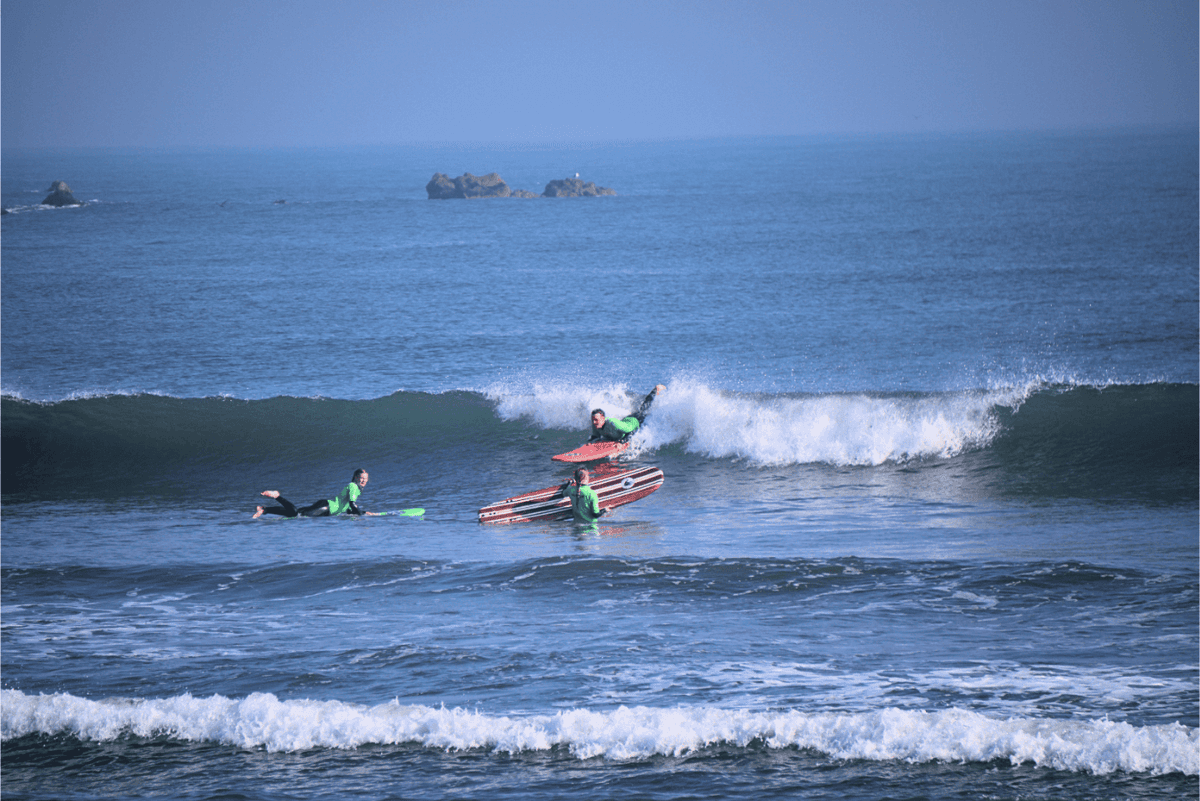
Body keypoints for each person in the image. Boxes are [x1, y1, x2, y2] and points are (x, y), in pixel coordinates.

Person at [253, 468, 382, 518]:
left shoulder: (354, 488)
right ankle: (277, 496)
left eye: (365, 478)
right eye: (361, 478)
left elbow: (348, 508)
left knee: (296, 513)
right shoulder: (353, 486)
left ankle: (265, 510)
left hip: (326, 506)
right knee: (297, 514)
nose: (364, 480)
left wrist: (365, 512)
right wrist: (363, 517)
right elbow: (353, 506)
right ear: (355, 477)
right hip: (325, 507)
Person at [589, 384, 665, 443]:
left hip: (635, 421)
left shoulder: (614, 424)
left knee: (644, 409)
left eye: (596, 420)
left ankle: (656, 390)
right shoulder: (596, 424)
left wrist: (624, 441)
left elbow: (633, 429)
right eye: (593, 420)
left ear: (603, 418)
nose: (594, 422)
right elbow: (595, 436)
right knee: (642, 408)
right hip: (626, 420)